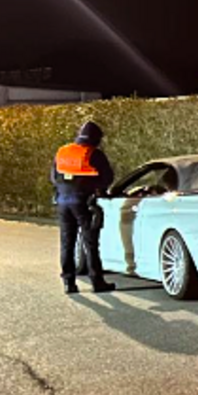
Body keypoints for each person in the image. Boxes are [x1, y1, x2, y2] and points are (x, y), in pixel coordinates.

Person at [51, 120, 116, 295]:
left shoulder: (63, 151)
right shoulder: (94, 154)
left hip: (63, 201)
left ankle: (69, 283)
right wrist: (98, 189)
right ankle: (97, 281)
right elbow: (107, 178)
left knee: (67, 243)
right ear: (97, 138)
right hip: (84, 202)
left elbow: (54, 177)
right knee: (90, 242)